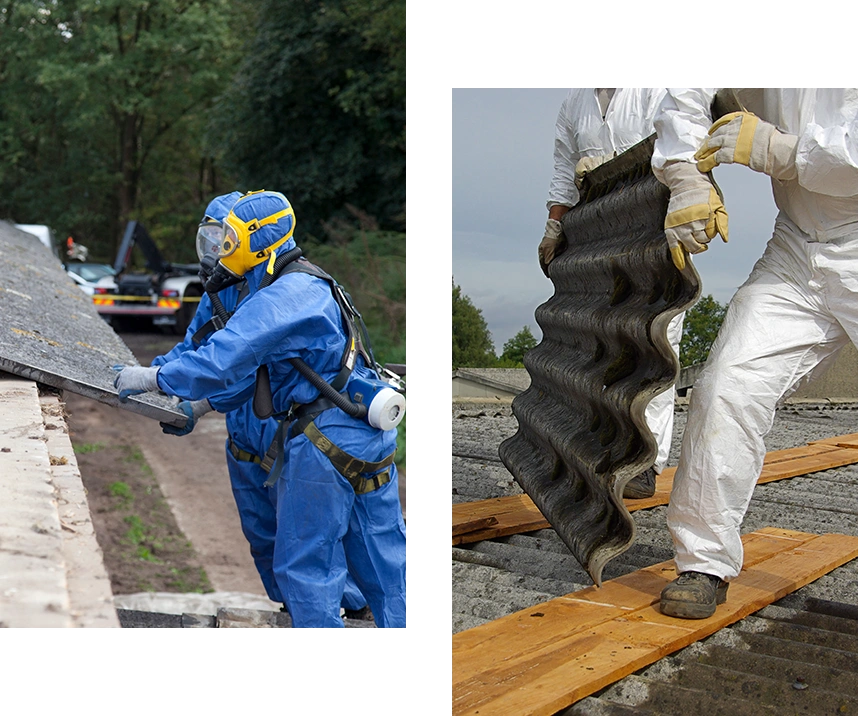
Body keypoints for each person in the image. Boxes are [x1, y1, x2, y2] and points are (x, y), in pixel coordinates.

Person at [113, 190, 407, 628]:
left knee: (306, 570)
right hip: (365, 429)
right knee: (385, 562)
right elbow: (251, 376)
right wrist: (197, 401)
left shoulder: (279, 297)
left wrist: (151, 378)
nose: (221, 251)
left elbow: (223, 360)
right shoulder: (302, 281)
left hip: (321, 440)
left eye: (230, 239)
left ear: (256, 240)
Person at [651, 88, 858, 618]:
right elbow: (685, 97)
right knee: (726, 386)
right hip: (797, 245)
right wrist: (685, 177)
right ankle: (704, 562)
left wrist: (781, 152)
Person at [539, 88, 685, 499]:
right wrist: (554, 226)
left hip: (656, 227)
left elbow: (682, 144)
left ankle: (646, 461)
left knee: (656, 342)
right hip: (601, 236)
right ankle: (604, 448)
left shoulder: (658, 92)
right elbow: (563, 169)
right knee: (602, 342)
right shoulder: (575, 104)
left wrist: (618, 168)